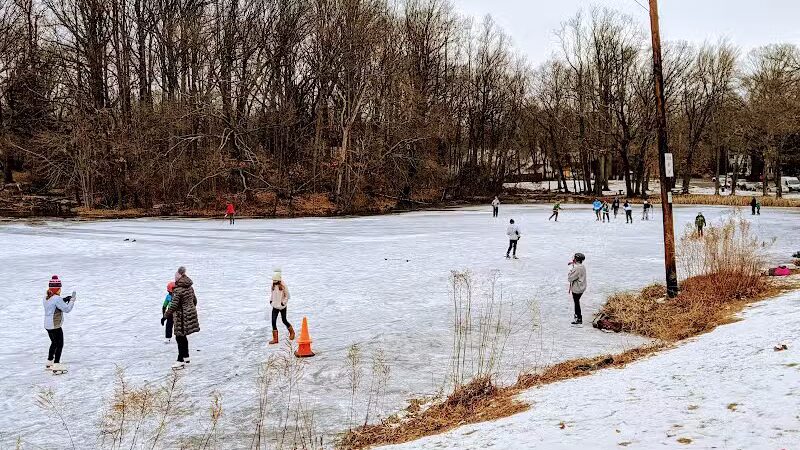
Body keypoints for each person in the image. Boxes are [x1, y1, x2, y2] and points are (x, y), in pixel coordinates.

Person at [165, 266, 200, 369]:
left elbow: (173, 306)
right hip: (189, 315)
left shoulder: (178, 290)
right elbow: (194, 301)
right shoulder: (190, 287)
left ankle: (180, 360)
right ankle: (186, 356)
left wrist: (165, 316)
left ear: (179, 277)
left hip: (181, 317)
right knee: (183, 336)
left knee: (179, 337)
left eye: (175, 277)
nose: (175, 279)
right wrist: (188, 309)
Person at [43, 275, 76, 373]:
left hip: (47, 325)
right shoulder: (57, 298)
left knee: (54, 343)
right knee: (59, 344)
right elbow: (67, 309)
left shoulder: (46, 297)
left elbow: (55, 304)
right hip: (55, 325)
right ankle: (56, 365)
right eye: (59, 288)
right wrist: (72, 300)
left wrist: (64, 299)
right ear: (57, 289)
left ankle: (49, 362)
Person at [268, 269, 295, 344]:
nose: (274, 281)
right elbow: (272, 293)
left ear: (278, 279)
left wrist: (283, 303)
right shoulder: (273, 285)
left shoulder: (283, 285)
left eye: (275, 280)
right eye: (273, 280)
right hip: (275, 306)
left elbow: (287, 296)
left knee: (284, 320)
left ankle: (292, 332)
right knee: (273, 321)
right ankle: (275, 339)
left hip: (282, 306)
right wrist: (271, 300)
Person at [567, 253, 587, 325]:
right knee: (577, 301)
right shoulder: (582, 266)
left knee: (576, 303)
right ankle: (578, 317)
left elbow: (570, 278)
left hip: (577, 289)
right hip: (582, 287)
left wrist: (571, 271)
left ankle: (578, 318)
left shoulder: (577, 268)